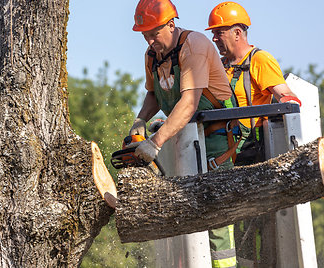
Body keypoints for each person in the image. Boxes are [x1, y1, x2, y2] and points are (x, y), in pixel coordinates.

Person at [129, 0, 238, 267]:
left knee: (216, 213)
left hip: (216, 138)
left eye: (154, 33)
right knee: (185, 209)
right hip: (184, 135)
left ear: (171, 24)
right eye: (145, 35)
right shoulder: (152, 55)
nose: (150, 40)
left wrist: (154, 142)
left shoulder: (195, 45)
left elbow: (189, 102)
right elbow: (155, 93)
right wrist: (141, 119)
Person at [205, 2, 301, 267]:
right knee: (230, 224)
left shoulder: (259, 60)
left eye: (219, 32)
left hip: (253, 152)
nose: (214, 38)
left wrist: (289, 103)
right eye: (213, 33)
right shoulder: (219, 66)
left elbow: (285, 96)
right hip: (222, 156)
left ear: (237, 33)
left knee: (254, 223)